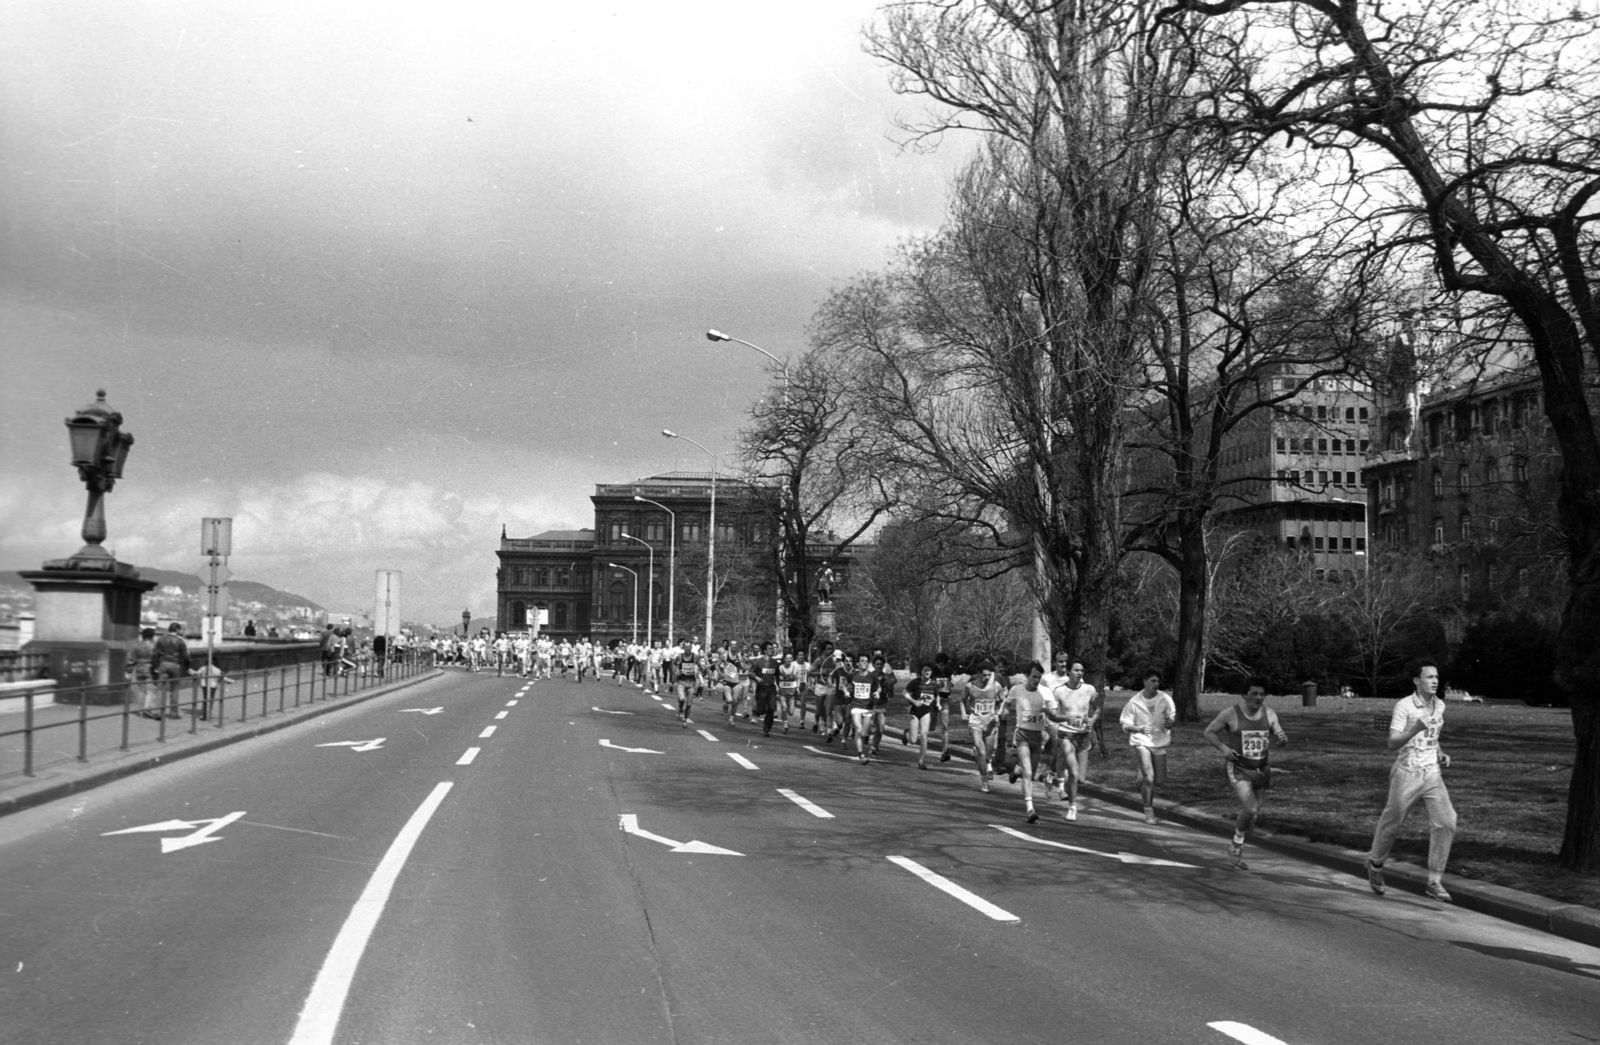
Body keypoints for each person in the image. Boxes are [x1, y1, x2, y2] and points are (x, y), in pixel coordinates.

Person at [1366, 660, 1458, 903]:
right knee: (1392, 823)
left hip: (1431, 773)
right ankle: (1375, 866)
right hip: (1407, 772)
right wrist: (1415, 728)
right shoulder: (1404, 706)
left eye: (1436, 677)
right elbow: (1392, 742)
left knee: (1447, 821)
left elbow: (1432, 734)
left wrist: (1439, 751)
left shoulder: (1439, 705)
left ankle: (1434, 881)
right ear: (1416, 681)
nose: (1435, 681)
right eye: (1429, 677)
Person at [1203, 679, 1289, 867]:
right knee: (1250, 808)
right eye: (1254, 693)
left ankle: (1238, 843)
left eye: (1262, 694)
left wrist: (1282, 740)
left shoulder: (1270, 714)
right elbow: (1209, 732)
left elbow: (1280, 738)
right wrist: (1224, 748)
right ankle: (1236, 845)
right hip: (1239, 768)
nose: (1258, 698)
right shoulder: (1230, 714)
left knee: (1253, 817)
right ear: (1244, 695)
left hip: (1261, 768)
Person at [1001, 662, 1068, 822]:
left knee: (1026, 772)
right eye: (1033, 677)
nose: (1036, 680)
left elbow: (1053, 716)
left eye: (1039, 677)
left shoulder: (1045, 692)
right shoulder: (1017, 690)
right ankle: (1030, 809)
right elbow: (1007, 703)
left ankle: (1017, 771)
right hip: (1022, 734)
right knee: (1029, 773)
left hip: (1038, 737)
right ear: (1027, 676)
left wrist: (1050, 713)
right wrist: (1004, 711)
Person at [1120, 671, 1177, 824]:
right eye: (1153, 681)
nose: (1156, 684)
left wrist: (1169, 722)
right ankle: (1148, 811)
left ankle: (1141, 776)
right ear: (1145, 681)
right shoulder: (1134, 702)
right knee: (1150, 778)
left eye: (1158, 681)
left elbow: (1171, 715)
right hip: (1141, 741)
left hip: (1159, 741)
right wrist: (1138, 729)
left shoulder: (1165, 699)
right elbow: (1125, 724)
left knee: (1159, 781)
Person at [1048, 660, 1100, 821]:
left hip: (1083, 736)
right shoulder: (1059, 691)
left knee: (1081, 779)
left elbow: (1097, 707)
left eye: (1082, 670)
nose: (1079, 673)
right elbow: (1052, 715)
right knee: (1073, 770)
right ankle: (1072, 807)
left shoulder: (1089, 689)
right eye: (1076, 670)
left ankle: (1064, 787)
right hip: (1066, 735)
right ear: (1069, 672)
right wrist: (1067, 718)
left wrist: (1093, 719)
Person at [960, 663, 1004, 791]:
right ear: (979, 674)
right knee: (982, 751)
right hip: (976, 721)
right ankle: (984, 780)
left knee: (988, 755)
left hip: (990, 722)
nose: (986, 677)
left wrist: (998, 713)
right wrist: (963, 713)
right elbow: (962, 700)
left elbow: (1003, 701)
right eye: (984, 675)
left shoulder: (996, 686)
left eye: (989, 675)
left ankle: (985, 760)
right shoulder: (970, 686)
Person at [150, 622, 191, 719]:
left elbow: (155, 654)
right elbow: (186, 656)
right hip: (175, 665)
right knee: (174, 690)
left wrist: (155, 666)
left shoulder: (161, 639)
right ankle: (173, 713)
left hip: (163, 664)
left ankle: (159, 713)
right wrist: (187, 667)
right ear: (177, 630)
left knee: (160, 689)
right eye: (180, 629)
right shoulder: (180, 640)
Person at [904, 663, 939, 769]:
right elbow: (904, 692)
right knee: (913, 741)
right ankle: (907, 734)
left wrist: (938, 704)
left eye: (929, 670)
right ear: (921, 672)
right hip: (914, 711)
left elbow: (937, 696)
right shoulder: (915, 682)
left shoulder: (934, 684)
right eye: (925, 670)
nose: (927, 672)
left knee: (924, 735)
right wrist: (913, 701)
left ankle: (921, 761)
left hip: (926, 711)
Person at [749, 641, 782, 736]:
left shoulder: (775, 663)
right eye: (770, 649)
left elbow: (777, 676)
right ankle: (758, 712)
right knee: (762, 710)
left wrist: (779, 688)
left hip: (771, 688)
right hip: (761, 689)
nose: (772, 650)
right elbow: (750, 672)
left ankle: (767, 728)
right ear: (765, 651)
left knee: (771, 709)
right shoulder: (758, 662)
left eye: (773, 648)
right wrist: (757, 678)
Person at [673, 636, 702, 727]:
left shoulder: (695, 657)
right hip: (681, 681)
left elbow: (701, 666)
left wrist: (699, 670)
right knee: (681, 699)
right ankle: (681, 709)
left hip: (691, 683)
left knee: (689, 704)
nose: (687, 649)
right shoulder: (679, 656)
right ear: (683, 647)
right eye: (686, 647)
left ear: (691, 647)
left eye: (689, 647)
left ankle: (685, 719)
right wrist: (676, 670)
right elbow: (673, 664)